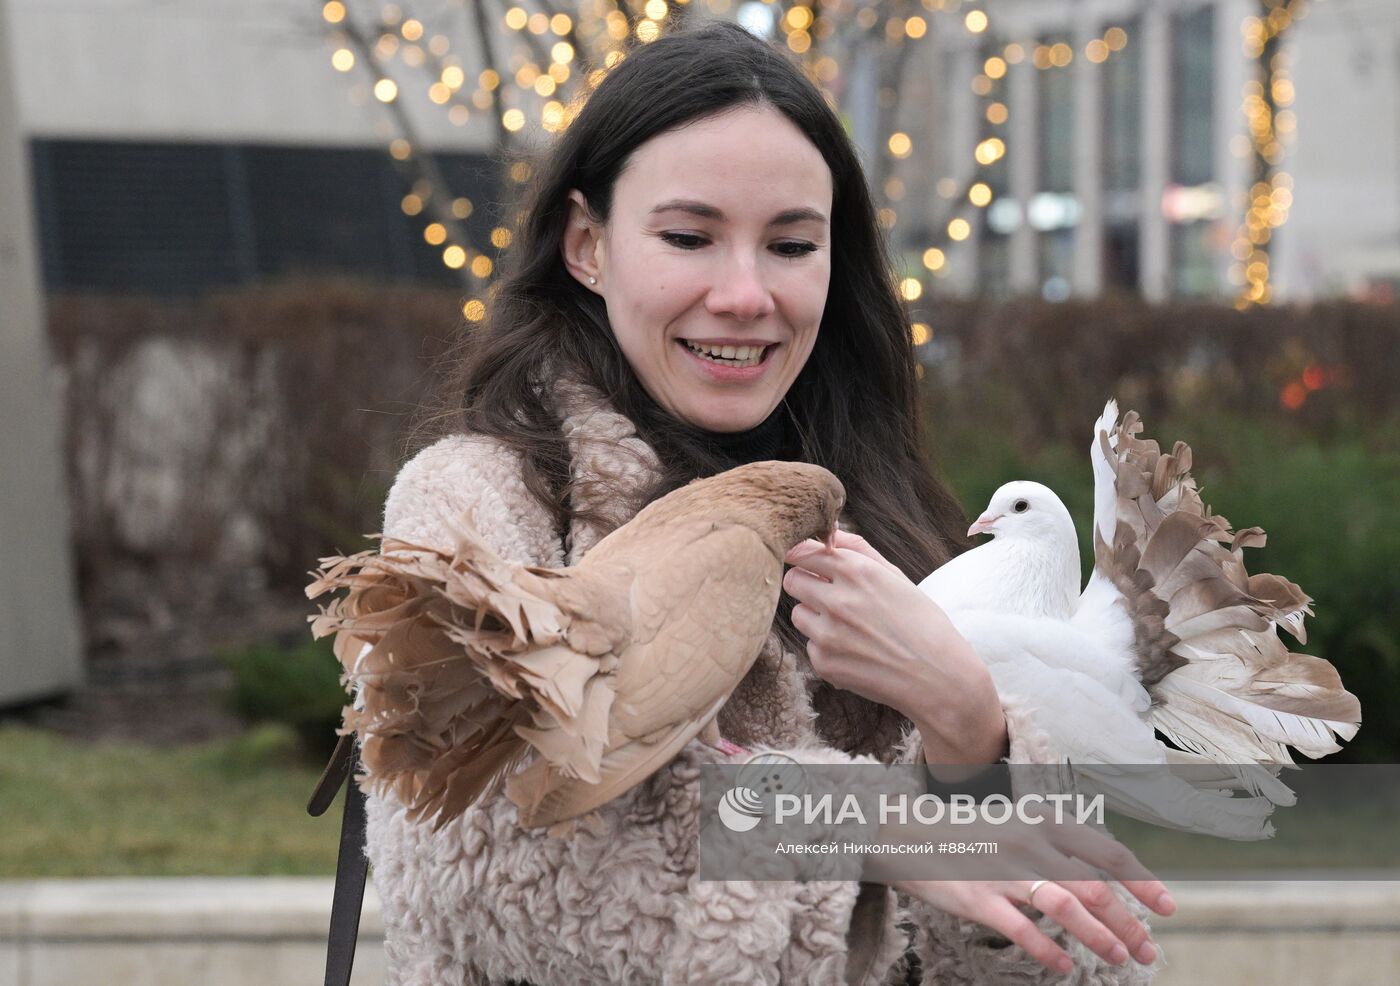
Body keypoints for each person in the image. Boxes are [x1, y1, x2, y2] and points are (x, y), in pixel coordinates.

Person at [366, 19, 1173, 986]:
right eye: (688, 237)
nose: (747, 294)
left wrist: (971, 729)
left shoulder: (887, 515)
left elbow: (1066, 953)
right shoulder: (478, 502)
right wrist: (865, 821)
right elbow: (491, 874)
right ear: (587, 245)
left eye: (791, 244)